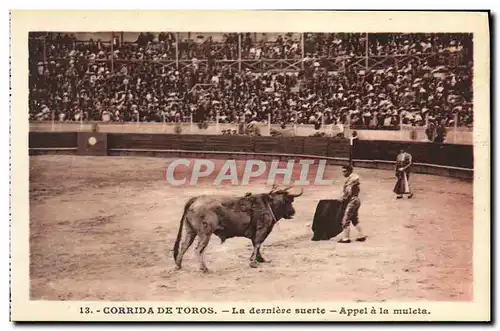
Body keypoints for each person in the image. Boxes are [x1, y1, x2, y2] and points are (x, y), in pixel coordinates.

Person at [338, 165, 366, 243]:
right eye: (342, 171)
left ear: (349, 171)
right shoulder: (353, 178)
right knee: (354, 219)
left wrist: (342, 199)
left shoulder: (351, 180)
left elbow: (348, 192)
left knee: (345, 219)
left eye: (344, 171)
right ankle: (361, 235)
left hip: (352, 201)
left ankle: (346, 238)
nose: (343, 173)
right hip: (356, 200)